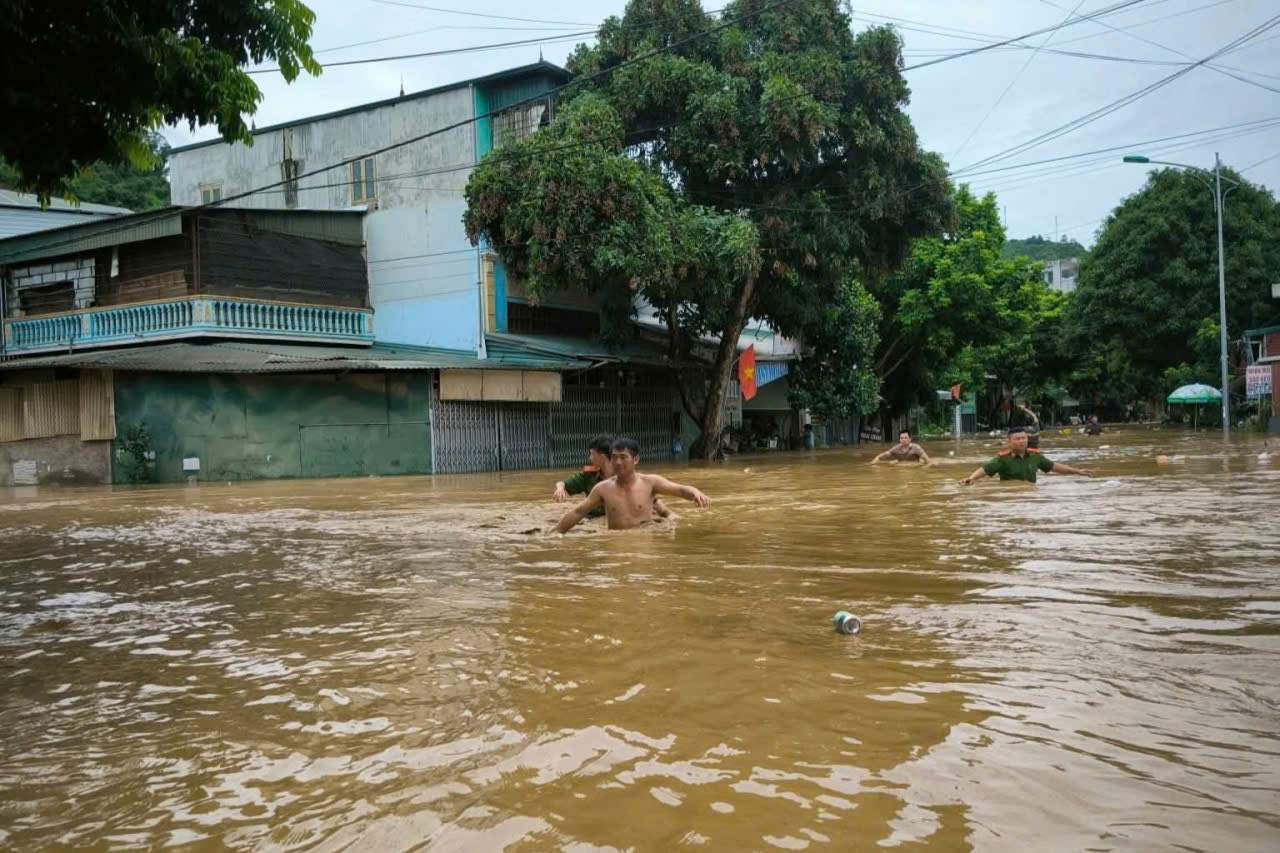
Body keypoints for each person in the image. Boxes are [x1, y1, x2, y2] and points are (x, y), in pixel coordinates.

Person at [556, 437, 709, 532]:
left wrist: (695, 492)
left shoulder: (650, 482)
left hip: (644, 542)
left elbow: (680, 490)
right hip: (616, 544)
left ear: (635, 459)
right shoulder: (602, 488)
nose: (618, 462)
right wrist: (555, 533)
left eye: (623, 457)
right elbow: (578, 512)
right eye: (614, 457)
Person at [553, 434, 668, 519]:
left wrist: (668, 515)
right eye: (615, 457)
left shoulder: (625, 475)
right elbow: (565, 485)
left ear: (602, 457)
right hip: (594, 520)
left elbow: (649, 497)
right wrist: (560, 487)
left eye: (592, 454)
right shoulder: (589, 476)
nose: (589, 458)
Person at [960, 427, 1094, 485]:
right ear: (1009, 441)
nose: (1021, 441)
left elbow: (1054, 467)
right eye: (1017, 439)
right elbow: (984, 469)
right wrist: (971, 478)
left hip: (1030, 494)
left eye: (1024, 438)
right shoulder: (1002, 459)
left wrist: (1078, 472)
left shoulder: (1035, 456)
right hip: (1010, 496)